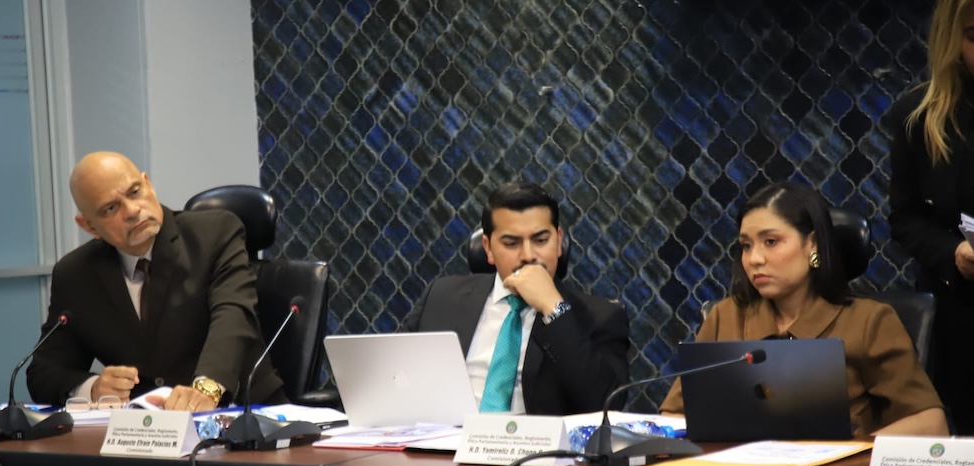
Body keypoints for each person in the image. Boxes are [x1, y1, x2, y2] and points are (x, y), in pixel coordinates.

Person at [661, 182, 947, 437]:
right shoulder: (725, 316)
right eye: (746, 246)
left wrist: (853, 453)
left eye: (771, 242)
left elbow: (930, 424)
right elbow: (673, 417)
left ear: (812, 244)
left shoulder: (870, 321)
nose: (754, 258)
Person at [26, 151, 284, 411]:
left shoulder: (214, 234)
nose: (132, 211)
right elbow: (43, 373)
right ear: (89, 226)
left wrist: (206, 389)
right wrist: (93, 388)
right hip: (146, 426)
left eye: (135, 192)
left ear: (148, 184)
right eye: (111, 208)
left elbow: (233, 316)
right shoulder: (76, 274)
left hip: (247, 411)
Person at [403, 181, 630, 416]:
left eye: (541, 241)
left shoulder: (599, 317)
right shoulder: (440, 297)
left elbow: (606, 406)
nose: (528, 255)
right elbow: (396, 377)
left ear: (558, 241)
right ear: (488, 248)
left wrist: (554, 309)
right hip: (445, 435)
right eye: (511, 243)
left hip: (534, 439)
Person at [886, 0, 974, 434]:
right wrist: (953, 252)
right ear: (951, 40)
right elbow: (904, 218)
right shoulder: (918, 117)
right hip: (963, 314)